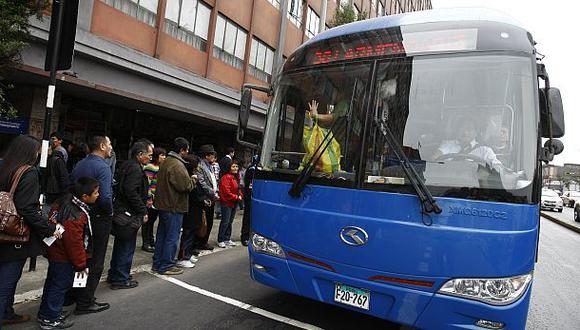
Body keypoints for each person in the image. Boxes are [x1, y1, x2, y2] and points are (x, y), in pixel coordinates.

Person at [0, 135, 62, 326]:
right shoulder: (28, 172)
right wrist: (49, 228)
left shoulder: (4, 166)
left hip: (1, 228)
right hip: (14, 235)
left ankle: (7, 313)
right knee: (6, 282)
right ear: (30, 152)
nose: (38, 154)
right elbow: (27, 209)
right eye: (37, 151)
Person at [37, 178, 100, 329]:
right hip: (63, 256)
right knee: (59, 286)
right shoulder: (76, 216)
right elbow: (74, 243)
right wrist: (80, 264)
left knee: (52, 283)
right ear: (85, 196)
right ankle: (50, 318)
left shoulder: (66, 200)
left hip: (55, 251)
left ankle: (46, 312)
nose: (98, 195)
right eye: (96, 192)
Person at [70, 135, 114, 315]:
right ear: (102, 146)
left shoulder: (80, 164)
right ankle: (85, 302)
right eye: (109, 144)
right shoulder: (103, 167)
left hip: (79, 214)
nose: (111, 147)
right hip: (97, 218)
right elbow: (104, 197)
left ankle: (77, 294)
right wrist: (110, 212)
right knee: (95, 261)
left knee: (83, 259)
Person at [107, 142, 150, 289]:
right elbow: (131, 191)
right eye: (148, 155)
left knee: (121, 244)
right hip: (128, 213)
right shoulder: (134, 168)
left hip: (122, 210)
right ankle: (120, 278)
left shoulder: (126, 165)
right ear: (140, 154)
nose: (150, 158)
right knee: (126, 246)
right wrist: (142, 210)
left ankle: (116, 273)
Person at [152, 138, 196, 275]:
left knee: (162, 236)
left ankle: (158, 263)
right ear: (182, 150)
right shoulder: (177, 165)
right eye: (186, 149)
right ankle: (167, 265)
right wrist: (194, 179)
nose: (187, 152)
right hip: (174, 206)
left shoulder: (166, 162)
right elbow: (185, 186)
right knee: (172, 237)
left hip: (163, 205)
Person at [432, 118, 501, 168]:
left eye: (469, 129)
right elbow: (435, 158)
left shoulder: (485, 151)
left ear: (476, 132)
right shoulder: (448, 144)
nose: (465, 132)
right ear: (457, 130)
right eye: (462, 129)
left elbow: (498, 168)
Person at [176, 154, 202, 268]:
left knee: (193, 233)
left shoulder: (194, 176)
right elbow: (191, 193)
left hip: (196, 209)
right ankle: (183, 257)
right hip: (190, 209)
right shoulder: (188, 177)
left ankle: (188, 253)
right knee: (187, 233)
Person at [194, 145, 219, 251]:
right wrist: (212, 193)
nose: (213, 157)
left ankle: (204, 242)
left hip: (212, 197)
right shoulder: (200, 166)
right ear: (207, 155)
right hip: (205, 197)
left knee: (209, 222)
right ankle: (198, 243)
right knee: (202, 222)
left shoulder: (210, 165)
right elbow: (202, 183)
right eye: (212, 154)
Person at [141, 147, 166, 252]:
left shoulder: (161, 167)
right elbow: (148, 184)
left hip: (158, 199)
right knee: (147, 222)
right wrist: (149, 198)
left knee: (152, 222)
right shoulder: (150, 167)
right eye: (162, 155)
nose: (164, 157)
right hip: (151, 198)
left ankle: (151, 241)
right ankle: (146, 243)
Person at [217, 160, 243, 248]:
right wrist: (236, 197)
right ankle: (220, 239)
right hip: (227, 202)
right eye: (233, 166)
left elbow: (238, 189)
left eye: (236, 166)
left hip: (234, 202)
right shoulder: (226, 177)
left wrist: (240, 195)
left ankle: (227, 238)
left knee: (230, 222)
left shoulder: (234, 177)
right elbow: (226, 192)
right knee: (225, 221)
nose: (235, 168)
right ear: (229, 168)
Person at [43, 146, 70, 213]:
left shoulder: (49, 160)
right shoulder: (59, 161)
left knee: (48, 208)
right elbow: (64, 177)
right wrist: (66, 190)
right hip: (57, 189)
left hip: (48, 188)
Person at [240, 155, 259, 246]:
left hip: (255, 196)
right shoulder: (252, 169)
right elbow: (249, 185)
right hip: (250, 196)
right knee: (248, 217)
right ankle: (245, 236)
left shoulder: (256, 168)